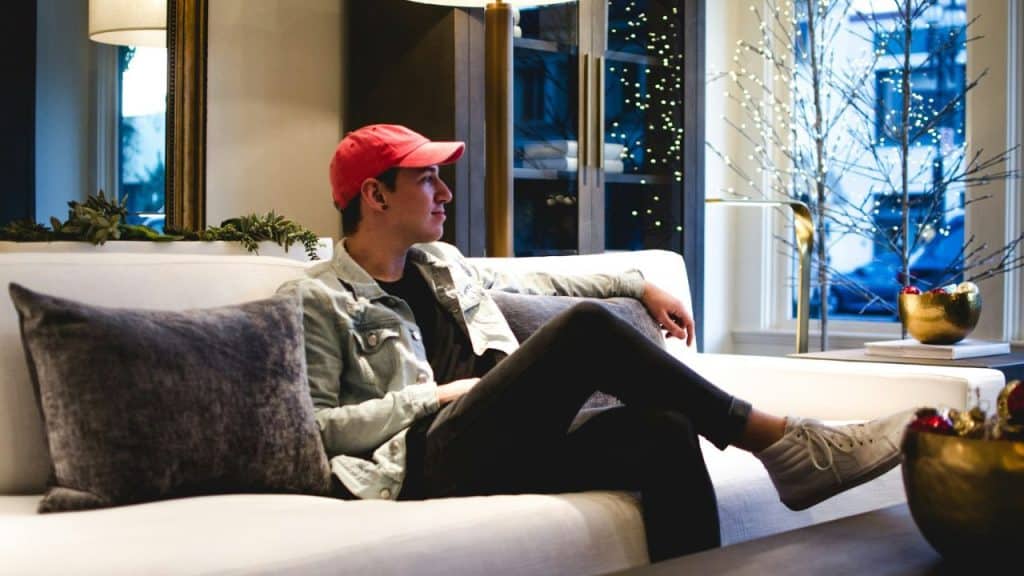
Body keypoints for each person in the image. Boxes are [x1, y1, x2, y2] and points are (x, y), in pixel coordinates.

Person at [277, 124, 912, 561]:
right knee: (583, 328)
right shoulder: (319, 296)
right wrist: (434, 395)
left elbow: (547, 276)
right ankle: (785, 443)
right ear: (375, 194)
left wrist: (638, 283)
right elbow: (318, 430)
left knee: (663, 428)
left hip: (511, 439)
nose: (445, 192)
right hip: (425, 459)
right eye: (426, 179)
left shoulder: (443, 262)